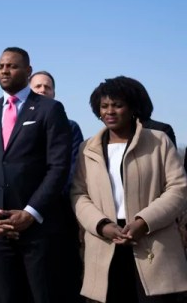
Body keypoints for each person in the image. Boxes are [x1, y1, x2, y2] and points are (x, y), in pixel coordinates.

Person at [71, 76, 187, 302]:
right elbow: (78, 194)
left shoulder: (159, 141)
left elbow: (178, 188)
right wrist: (102, 225)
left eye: (117, 105)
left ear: (133, 107)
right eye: (104, 106)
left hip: (152, 240)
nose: (110, 111)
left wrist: (143, 222)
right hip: (105, 241)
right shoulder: (87, 148)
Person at [0, 47, 72, 303]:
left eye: (12, 66)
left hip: (38, 228)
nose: (5, 70)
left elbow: (58, 167)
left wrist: (30, 213)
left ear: (28, 71)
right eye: (1, 66)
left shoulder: (50, 109)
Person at [29, 70, 83, 302]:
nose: (42, 90)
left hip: (60, 209)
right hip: (27, 212)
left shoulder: (70, 126)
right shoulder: (21, 128)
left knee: (65, 275)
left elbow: (72, 168)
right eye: (37, 86)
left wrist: (47, 198)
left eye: (47, 87)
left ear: (54, 92)